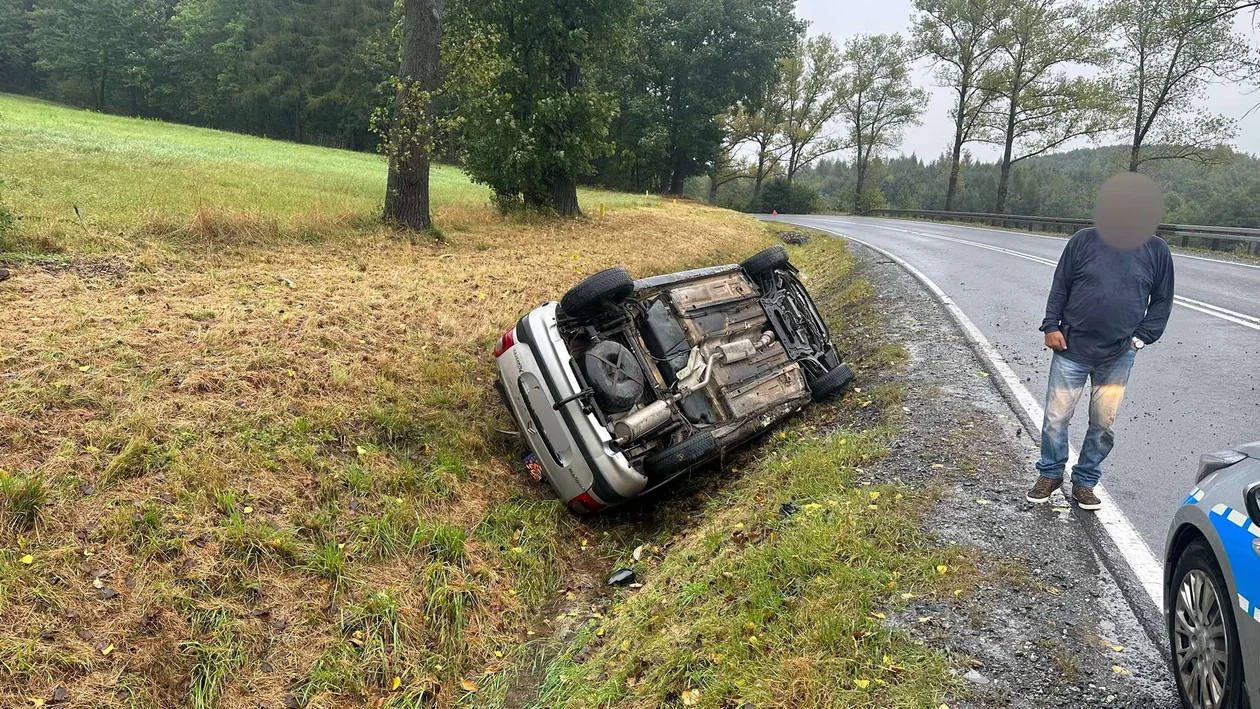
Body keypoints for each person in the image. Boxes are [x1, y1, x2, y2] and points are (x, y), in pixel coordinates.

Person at [1026, 177, 1175, 511]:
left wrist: (1140, 338)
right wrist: (1051, 325)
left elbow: (1162, 301)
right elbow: (1060, 286)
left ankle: (1085, 481)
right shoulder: (1083, 241)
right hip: (1071, 348)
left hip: (1119, 354)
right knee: (1055, 418)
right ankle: (1050, 474)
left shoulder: (1156, 250)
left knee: (1102, 424)